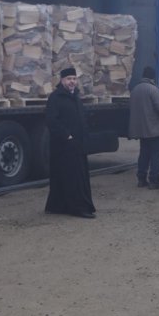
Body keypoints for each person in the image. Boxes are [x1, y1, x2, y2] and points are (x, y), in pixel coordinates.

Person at [44, 67, 96, 218]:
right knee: (70, 177)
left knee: (76, 176)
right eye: (69, 79)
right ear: (62, 80)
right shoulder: (55, 97)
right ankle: (78, 208)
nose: (72, 81)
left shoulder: (75, 97)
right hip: (64, 146)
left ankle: (60, 206)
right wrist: (67, 136)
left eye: (74, 78)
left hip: (78, 144)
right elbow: (51, 120)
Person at [129, 65, 159, 189]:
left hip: (142, 130)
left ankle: (141, 179)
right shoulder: (153, 90)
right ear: (153, 77)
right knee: (156, 155)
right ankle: (154, 180)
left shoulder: (135, 89)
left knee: (144, 154)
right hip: (155, 129)